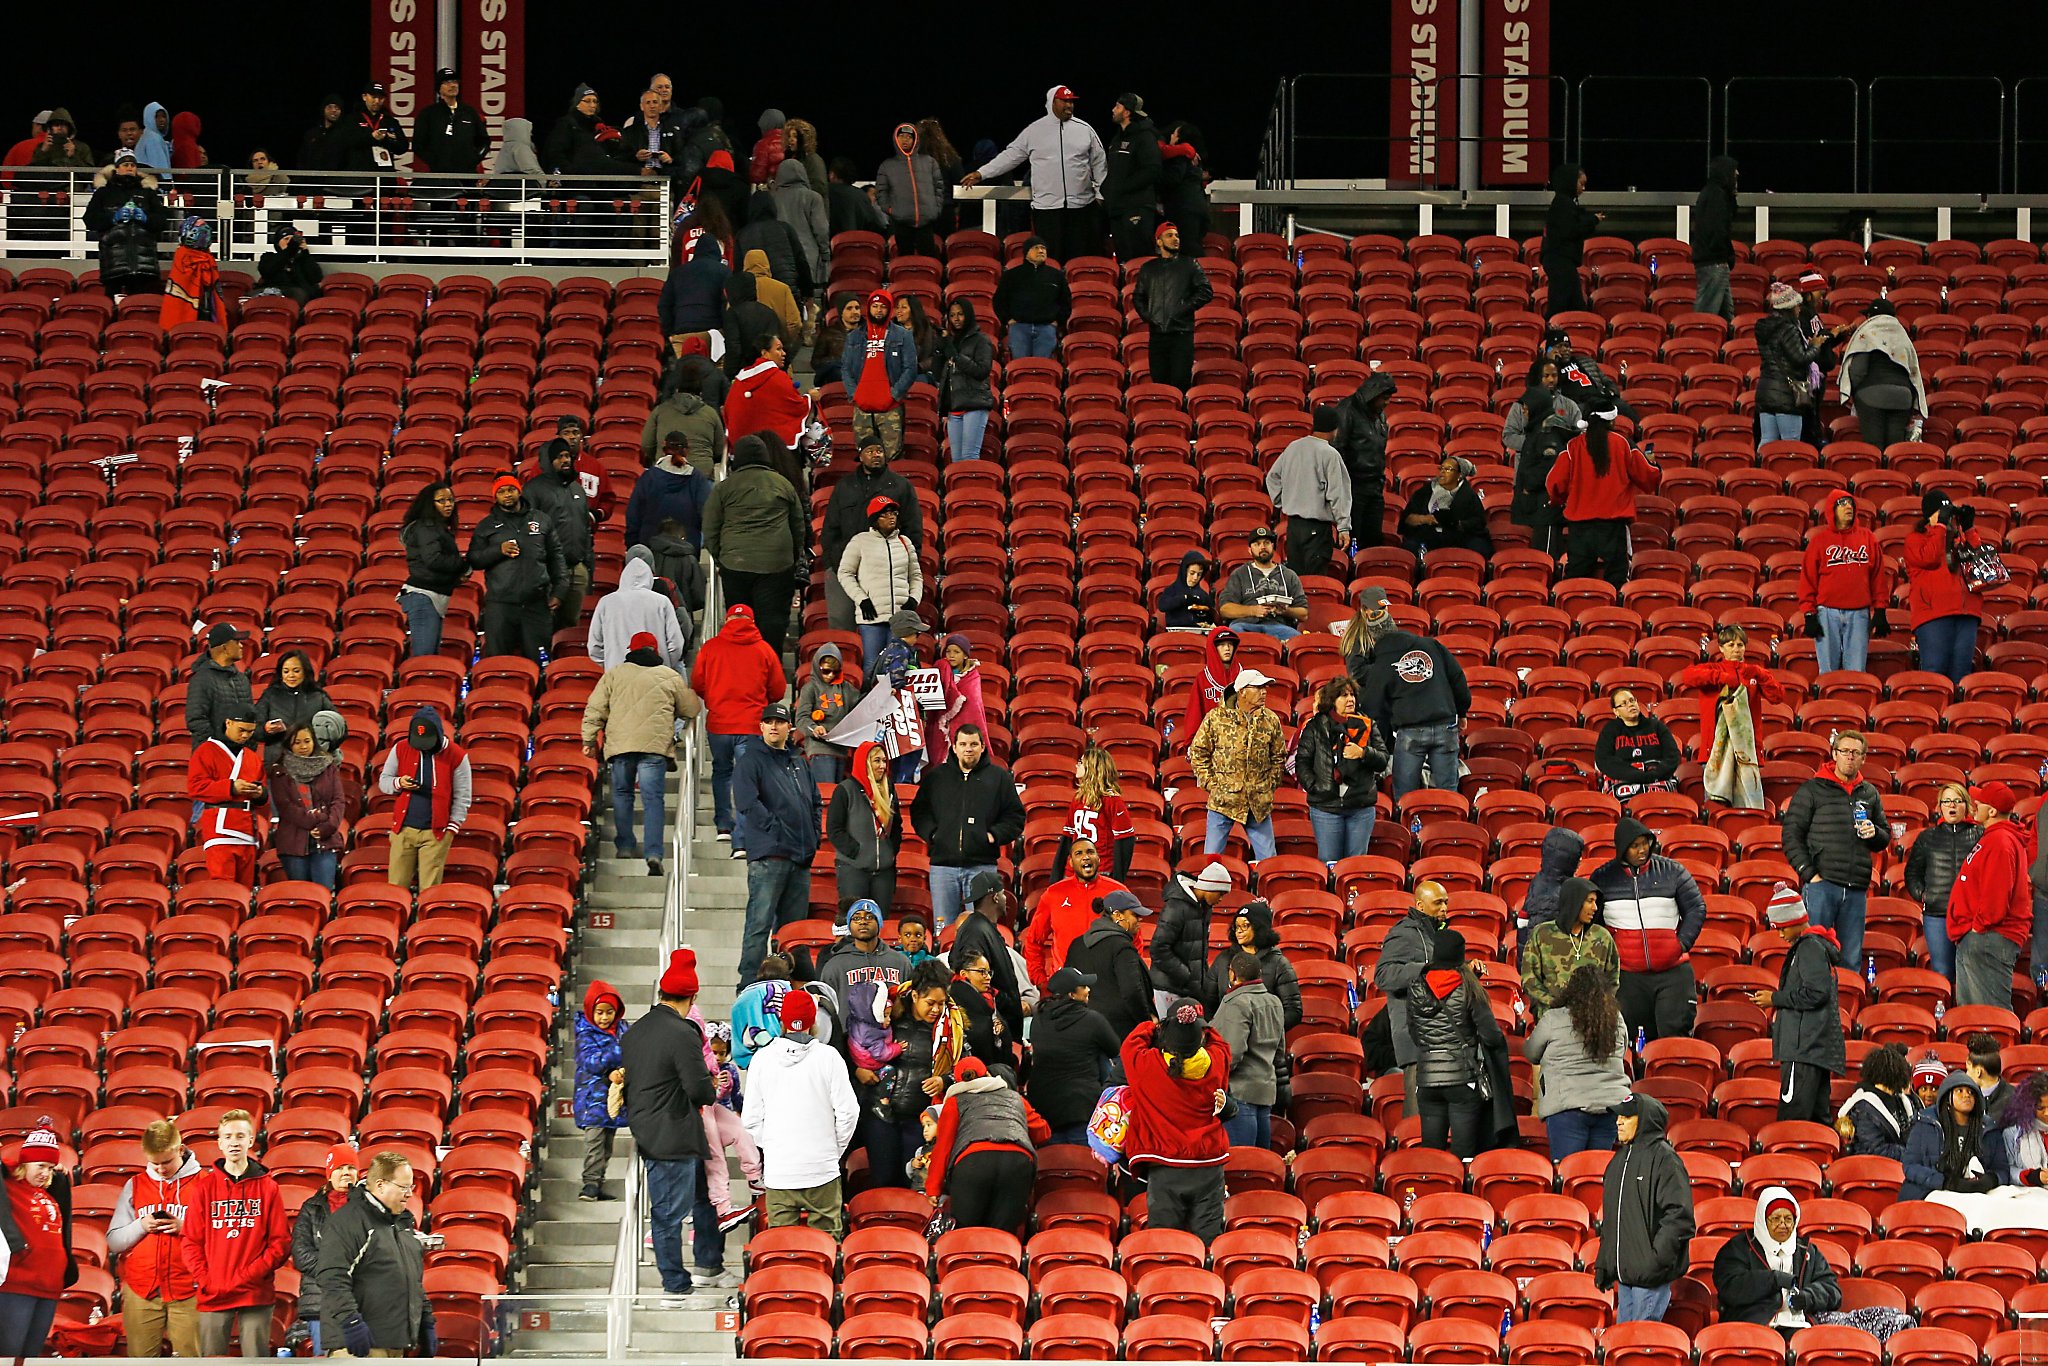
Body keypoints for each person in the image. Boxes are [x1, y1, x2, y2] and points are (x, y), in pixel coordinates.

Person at [625, 949, 725, 1296]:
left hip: (649, 1130)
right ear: (692, 996)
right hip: (675, 1134)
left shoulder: (636, 1031)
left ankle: (705, 1266)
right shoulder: (683, 1032)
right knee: (669, 1215)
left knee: (695, 1202)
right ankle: (675, 1285)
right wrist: (711, 1087)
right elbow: (700, 1089)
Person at [738, 987, 859, 1236]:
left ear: (781, 1020)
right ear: (814, 1021)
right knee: (825, 1249)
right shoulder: (830, 1057)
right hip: (821, 1169)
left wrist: (772, 1145)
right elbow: (849, 1113)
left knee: (783, 1249)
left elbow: (750, 1119)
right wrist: (831, 1149)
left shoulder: (761, 1059)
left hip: (780, 1171)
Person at [582, 632, 700, 874]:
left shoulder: (614, 674)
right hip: (654, 748)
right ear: (655, 650)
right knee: (653, 800)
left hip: (621, 746)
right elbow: (691, 708)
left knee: (623, 795)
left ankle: (625, 846)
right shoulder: (670, 675)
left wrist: (589, 739)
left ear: (630, 650)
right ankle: (654, 853)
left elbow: (595, 708)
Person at [1120, 1000, 1233, 1240]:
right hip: (1208, 1166)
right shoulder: (1217, 1061)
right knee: (1208, 1241)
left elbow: (1129, 1045)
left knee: (1165, 1243)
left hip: (1165, 1167)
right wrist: (1196, 1026)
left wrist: (1154, 1026)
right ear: (1200, 1039)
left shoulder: (1148, 1065)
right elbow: (1221, 1043)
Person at [1779, 730, 1889, 970]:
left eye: (1856, 753)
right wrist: (1810, 875)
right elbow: (1790, 835)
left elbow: (1884, 837)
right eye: (1845, 751)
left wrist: (1875, 833)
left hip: (1856, 888)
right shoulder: (1812, 790)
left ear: (1863, 759)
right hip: (1822, 885)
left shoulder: (1869, 793)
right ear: (1834, 754)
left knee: (1850, 960)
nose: (1850, 757)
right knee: (1813, 957)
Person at [961, 86, 1106, 265]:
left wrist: (1100, 193)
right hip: (1047, 210)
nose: (1069, 105)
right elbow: (1010, 156)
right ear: (1052, 102)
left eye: (1071, 101)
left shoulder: (1085, 130)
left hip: (1081, 208)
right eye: (1064, 101)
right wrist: (982, 173)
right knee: (1050, 262)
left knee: (1079, 261)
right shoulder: (1035, 131)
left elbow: (1100, 162)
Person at [183, 1110, 288, 1357]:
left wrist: (248, 1276)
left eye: (240, 1136)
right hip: (214, 1293)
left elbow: (280, 1244)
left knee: (256, 1361)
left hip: (255, 1292)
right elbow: (190, 1241)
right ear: (219, 1143)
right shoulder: (204, 1187)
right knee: (212, 1361)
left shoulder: (268, 1187)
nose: (234, 1142)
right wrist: (207, 1279)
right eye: (228, 1136)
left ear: (251, 1141)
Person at [1592, 816, 1707, 1043]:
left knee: (1674, 1040)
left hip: (1673, 972)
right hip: (1627, 977)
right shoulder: (1602, 878)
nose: (1642, 850)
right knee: (1633, 1041)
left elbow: (1696, 908)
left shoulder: (1673, 871)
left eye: (1645, 843)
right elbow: (1594, 922)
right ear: (1622, 849)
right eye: (1635, 846)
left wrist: (1680, 944)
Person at [1351, 590, 1472, 800]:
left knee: (1406, 796)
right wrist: (1461, 712)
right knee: (1447, 795)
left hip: (1410, 731)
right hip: (1446, 725)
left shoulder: (1381, 662)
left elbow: (1373, 706)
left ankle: (1408, 828)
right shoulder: (1430, 644)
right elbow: (1458, 679)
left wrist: (1383, 744)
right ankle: (1446, 830)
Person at [310, 1151, 432, 1359]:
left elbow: (413, 1280)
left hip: (396, 1343)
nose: (410, 1194)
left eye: (411, 1187)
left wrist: (425, 1320)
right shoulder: (349, 1221)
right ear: (381, 1185)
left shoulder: (403, 1224)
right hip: (358, 1345)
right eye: (404, 1187)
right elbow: (332, 1276)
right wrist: (351, 1323)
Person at [734, 703, 823, 987]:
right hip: (769, 855)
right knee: (759, 925)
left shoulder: (799, 761)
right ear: (760, 727)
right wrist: (776, 830)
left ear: (789, 728)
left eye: (779, 722)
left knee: (793, 930)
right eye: (768, 721)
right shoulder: (751, 760)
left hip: (799, 857)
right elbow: (747, 801)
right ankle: (749, 983)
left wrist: (813, 836)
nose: (774, 726)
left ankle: (792, 984)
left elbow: (815, 801)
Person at [1748, 885, 1847, 1124]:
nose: (1780, 934)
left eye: (1781, 927)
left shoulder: (1809, 948)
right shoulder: (1814, 947)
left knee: (1793, 1124)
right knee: (1816, 1123)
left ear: (1795, 920)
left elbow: (1816, 993)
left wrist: (1775, 998)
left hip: (1803, 1050)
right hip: (1812, 1050)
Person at [911, 726, 1026, 932]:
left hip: (982, 867)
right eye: (963, 744)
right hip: (942, 868)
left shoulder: (999, 778)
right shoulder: (936, 777)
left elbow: (1015, 817)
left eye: (973, 744)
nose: (968, 749)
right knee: (944, 931)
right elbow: (919, 812)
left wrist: (993, 835)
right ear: (954, 747)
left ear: (983, 747)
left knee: (983, 929)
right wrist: (934, 834)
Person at [691, 603, 787, 849]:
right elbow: (777, 689)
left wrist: (715, 698)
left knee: (722, 772)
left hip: (719, 723)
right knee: (749, 781)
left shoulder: (711, 648)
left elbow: (698, 684)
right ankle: (742, 841)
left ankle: (723, 824)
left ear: (727, 620)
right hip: (751, 724)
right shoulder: (764, 650)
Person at [702, 434, 805, 661]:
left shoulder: (724, 488)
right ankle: (770, 668)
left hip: (735, 563)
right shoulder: (783, 483)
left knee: (739, 620)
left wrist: (722, 557)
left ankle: (742, 668)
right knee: (773, 622)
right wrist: (793, 556)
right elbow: (798, 526)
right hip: (777, 564)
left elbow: (710, 527)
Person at [1406, 928, 1506, 1159]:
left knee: (1431, 1156)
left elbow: (1414, 1033)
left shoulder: (1416, 988)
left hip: (1427, 1079)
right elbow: (1491, 1035)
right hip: (1463, 1079)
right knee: (1463, 1155)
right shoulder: (1468, 986)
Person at [1593, 1094, 1692, 1323]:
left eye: (1626, 1117)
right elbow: (1612, 1220)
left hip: (1650, 1279)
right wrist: (1605, 1263)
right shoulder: (1617, 1161)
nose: (1618, 1121)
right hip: (1624, 1276)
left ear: (1645, 1120)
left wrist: (1655, 1262)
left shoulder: (1665, 1159)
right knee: (1624, 1348)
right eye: (1619, 1116)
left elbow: (1679, 1216)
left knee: (1641, 1347)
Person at [922, 1056, 1047, 1231]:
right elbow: (1043, 1132)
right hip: (1017, 1163)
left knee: (966, 1234)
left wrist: (933, 1188)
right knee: (1003, 1236)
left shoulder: (955, 1102)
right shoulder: (1014, 1098)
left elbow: (943, 1147)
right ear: (987, 1074)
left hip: (973, 1163)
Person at [112, 1119, 201, 1358]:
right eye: (154, 1163)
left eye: (167, 1161)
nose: (161, 1169)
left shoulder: (206, 1183)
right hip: (142, 1289)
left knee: (192, 1362)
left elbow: (221, 1239)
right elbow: (114, 1241)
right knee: (141, 1362)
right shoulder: (135, 1184)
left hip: (189, 1289)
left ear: (181, 1150)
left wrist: (186, 1227)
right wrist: (141, 1225)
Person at [1545, 399, 1657, 587]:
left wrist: (1558, 500)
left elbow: (1554, 483)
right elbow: (1648, 477)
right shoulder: (1623, 444)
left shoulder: (1572, 447)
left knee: (1575, 583)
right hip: (1613, 526)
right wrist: (1653, 463)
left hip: (1580, 528)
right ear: (1612, 420)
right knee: (1617, 581)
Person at [1527, 963, 1630, 1158]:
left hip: (1566, 1107)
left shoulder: (1553, 1019)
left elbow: (1532, 1053)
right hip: (1610, 1106)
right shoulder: (1616, 1019)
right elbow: (1622, 1051)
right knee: (1596, 1177)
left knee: (1568, 1174)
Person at [1678, 623, 1785, 810]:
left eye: (1740, 645)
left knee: (1749, 807)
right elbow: (1688, 676)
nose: (1736, 649)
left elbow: (1777, 697)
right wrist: (1723, 678)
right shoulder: (1712, 668)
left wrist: (1761, 675)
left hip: (1747, 751)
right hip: (1715, 751)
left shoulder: (1754, 672)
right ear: (1721, 648)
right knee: (1716, 805)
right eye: (1731, 645)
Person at [820, 436, 922, 631]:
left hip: (885, 571)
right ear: (860, 456)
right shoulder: (845, 486)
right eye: (870, 451)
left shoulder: (900, 486)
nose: (876, 455)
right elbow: (830, 527)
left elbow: (913, 528)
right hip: (843, 565)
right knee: (842, 627)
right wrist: (831, 562)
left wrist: (908, 562)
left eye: (880, 450)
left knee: (885, 632)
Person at [1950, 781, 2036, 1010]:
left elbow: (1996, 896)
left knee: (1990, 1016)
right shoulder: (1998, 837)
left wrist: (1978, 927)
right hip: (1983, 936)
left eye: (1980, 801)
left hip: (1989, 935)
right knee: (1972, 1016)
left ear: (1992, 811)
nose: (1974, 804)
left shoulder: (2000, 841)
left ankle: (2001, 1048)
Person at [1189, 668, 1286, 863]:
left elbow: (1278, 756)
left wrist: (1268, 786)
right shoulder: (1216, 718)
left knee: (1269, 862)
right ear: (1242, 691)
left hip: (1257, 803)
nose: (1264, 692)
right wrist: (1212, 785)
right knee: (1210, 862)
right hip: (1222, 801)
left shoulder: (1270, 720)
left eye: (1265, 687)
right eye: (1258, 688)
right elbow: (1198, 752)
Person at [467, 474, 567, 662]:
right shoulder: (486, 525)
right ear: (495, 496)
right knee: (498, 663)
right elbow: (474, 559)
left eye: (511, 490)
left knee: (539, 662)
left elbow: (556, 557)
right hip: (500, 606)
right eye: (502, 491)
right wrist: (498, 550)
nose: (507, 495)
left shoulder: (541, 520)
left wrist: (559, 591)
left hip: (536, 604)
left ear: (519, 491)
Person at [1713, 1188, 1843, 1331]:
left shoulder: (1807, 1251)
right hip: (1754, 1327)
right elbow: (1729, 1288)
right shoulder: (1738, 1248)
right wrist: (1773, 1280)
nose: (1783, 1225)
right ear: (1763, 1220)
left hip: (1801, 1326)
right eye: (1776, 1219)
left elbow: (1832, 1291)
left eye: (1788, 1219)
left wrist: (1808, 1297)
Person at [1376, 880, 1454, 1116]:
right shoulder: (1404, 933)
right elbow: (1383, 976)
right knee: (1418, 1117)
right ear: (1420, 905)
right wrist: (1426, 970)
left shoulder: (1440, 934)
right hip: (1414, 1036)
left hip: (1442, 1035)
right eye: (1438, 902)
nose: (1444, 909)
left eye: (1446, 903)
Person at [378, 706, 471, 892]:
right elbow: (384, 782)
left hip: (436, 833)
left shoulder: (457, 755)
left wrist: (452, 828)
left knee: (429, 892)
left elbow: (463, 796)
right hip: (403, 830)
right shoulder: (401, 748)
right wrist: (399, 783)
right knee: (395, 890)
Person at [1296, 676, 1388, 864]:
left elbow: (1383, 760)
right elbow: (1302, 762)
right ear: (1332, 700)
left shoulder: (1367, 725)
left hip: (1360, 807)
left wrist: (1363, 753)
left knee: (1356, 865)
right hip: (1326, 807)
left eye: (1352, 695)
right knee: (1330, 863)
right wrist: (1315, 786)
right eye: (1343, 696)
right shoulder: (1315, 726)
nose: (1350, 699)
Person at [1903, 493, 1991, 687]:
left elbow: (1983, 568)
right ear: (1928, 516)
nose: (1948, 517)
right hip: (1933, 615)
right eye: (1941, 512)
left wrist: (1969, 529)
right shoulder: (1915, 539)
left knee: (1962, 675)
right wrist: (1940, 527)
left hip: (1966, 613)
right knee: (1935, 673)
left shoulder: (1961, 540)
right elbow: (1930, 558)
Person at [0, 1121, 71, 1358]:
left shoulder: (48, 1194)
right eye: (40, 1165)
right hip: (17, 1285)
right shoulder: (9, 1187)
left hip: (48, 1288)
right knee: (8, 1355)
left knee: (28, 1359)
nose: (45, 1173)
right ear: (24, 1163)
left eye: (50, 1167)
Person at [1029, 968, 1123, 1144]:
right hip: (1082, 1107)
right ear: (1071, 994)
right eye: (1083, 986)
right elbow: (1116, 1052)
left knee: (1052, 1167)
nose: (1088, 989)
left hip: (1044, 1106)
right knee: (1084, 1167)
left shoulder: (1038, 1019)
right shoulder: (1093, 1020)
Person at [1797, 491, 1886, 676]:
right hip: (1826, 613)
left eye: (1850, 503)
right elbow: (1808, 579)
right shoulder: (1819, 541)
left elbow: (1878, 577)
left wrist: (1880, 610)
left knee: (1857, 673)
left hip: (1859, 612)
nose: (1848, 507)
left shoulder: (1868, 538)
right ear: (1831, 510)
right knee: (1828, 672)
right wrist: (1809, 614)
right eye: (1842, 503)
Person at [523, 424, 600, 634]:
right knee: (544, 624)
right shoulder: (533, 489)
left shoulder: (577, 489)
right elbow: (528, 531)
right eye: (559, 457)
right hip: (548, 570)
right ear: (548, 461)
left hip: (577, 568)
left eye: (567, 456)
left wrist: (587, 563)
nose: (566, 460)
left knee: (569, 628)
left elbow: (585, 528)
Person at [1023, 838, 1131, 987]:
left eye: (1090, 852)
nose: (1086, 857)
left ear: (1098, 859)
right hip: (1067, 986)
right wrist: (1040, 981)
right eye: (1079, 853)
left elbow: (1134, 940)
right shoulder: (1053, 894)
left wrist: (1129, 977)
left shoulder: (1119, 892)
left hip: (1109, 986)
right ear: (1071, 863)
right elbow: (1033, 941)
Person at [837, 496, 924, 675]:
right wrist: (862, 599)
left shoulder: (905, 542)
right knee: (872, 665)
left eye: (893, 513)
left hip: (899, 618)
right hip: (871, 616)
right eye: (885, 514)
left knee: (899, 664)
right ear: (874, 518)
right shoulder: (859, 541)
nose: (891, 517)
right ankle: (872, 702)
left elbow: (916, 576)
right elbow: (844, 573)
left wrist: (914, 599)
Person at [1906, 783, 1982, 982]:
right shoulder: (1927, 837)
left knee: (1972, 976)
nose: (1952, 806)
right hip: (1937, 915)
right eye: (1947, 801)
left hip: (1972, 917)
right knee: (1942, 973)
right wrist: (1924, 895)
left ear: (1966, 806)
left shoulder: (1980, 835)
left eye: (1957, 801)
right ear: (1940, 807)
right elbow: (1912, 873)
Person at [1265, 406, 1353, 575]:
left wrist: (1283, 501)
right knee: (1314, 581)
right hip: (1317, 529)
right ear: (1334, 428)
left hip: (1293, 527)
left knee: (1296, 581)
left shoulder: (1293, 447)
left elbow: (1272, 477)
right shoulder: (1329, 454)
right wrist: (1343, 527)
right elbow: (1338, 493)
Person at [1211, 951, 1284, 1150]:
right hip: (1266, 1090)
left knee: (1242, 1166)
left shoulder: (1237, 1002)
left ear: (1232, 974)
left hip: (1240, 1092)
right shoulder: (1275, 1001)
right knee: (1259, 1164)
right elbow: (1280, 1050)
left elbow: (1232, 1053)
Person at [187, 701, 265, 886]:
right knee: (224, 888)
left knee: (245, 892)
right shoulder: (206, 750)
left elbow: (263, 792)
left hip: (247, 829)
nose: (245, 736)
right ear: (228, 723)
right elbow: (195, 787)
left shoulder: (251, 756)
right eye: (242, 730)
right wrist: (231, 788)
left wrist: (260, 794)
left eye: (250, 731)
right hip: (219, 828)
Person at [288, 1145, 356, 1354]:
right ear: (329, 1173)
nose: (345, 1173)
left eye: (351, 1167)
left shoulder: (370, 1207)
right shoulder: (311, 1208)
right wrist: (337, 1270)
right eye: (339, 1167)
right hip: (320, 1302)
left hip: (361, 1302)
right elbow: (301, 1255)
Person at [1521, 877, 1620, 1017]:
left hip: (1591, 1018)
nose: (1595, 907)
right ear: (1574, 901)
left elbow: (1612, 980)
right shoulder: (1542, 934)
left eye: (1596, 902)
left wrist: (1597, 1006)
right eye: (1589, 901)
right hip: (1552, 1016)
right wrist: (1554, 1004)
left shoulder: (1602, 937)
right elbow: (1529, 979)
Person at [1064, 890, 1156, 1041]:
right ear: (1118, 915)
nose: (1140, 920)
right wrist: (1145, 1023)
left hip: (1083, 1030)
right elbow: (1132, 991)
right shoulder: (1122, 947)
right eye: (1135, 915)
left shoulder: (1077, 944)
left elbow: (1068, 988)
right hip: (1120, 1034)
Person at [1840, 299, 1927, 451]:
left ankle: (1876, 474)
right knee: (1894, 448)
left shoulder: (1866, 333)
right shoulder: (1903, 335)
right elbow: (1913, 371)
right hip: (1903, 397)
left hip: (1871, 395)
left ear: (1871, 316)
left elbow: (1858, 371)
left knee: (1875, 447)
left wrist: (1854, 392)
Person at [951, 869, 1026, 1046]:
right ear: (994, 897)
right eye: (1002, 894)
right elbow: (971, 983)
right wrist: (1003, 1004)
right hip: (988, 1032)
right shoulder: (975, 931)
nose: (1006, 899)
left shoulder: (982, 928)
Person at [1133, 222, 1211, 390]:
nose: (1175, 239)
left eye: (1176, 235)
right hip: (1157, 335)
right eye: (1169, 235)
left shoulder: (1190, 264)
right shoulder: (1148, 268)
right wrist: (1149, 316)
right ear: (1159, 242)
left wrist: (1182, 309)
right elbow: (1138, 296)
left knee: (1180, 382)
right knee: (1159, 384)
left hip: (1181, 333)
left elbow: (1206, 291)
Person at [840, 289, 917, 459]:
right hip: (862, 409)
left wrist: (894, 395)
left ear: (889, 309)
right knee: (865, 458)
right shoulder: (854, 337)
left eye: (883, 306)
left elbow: (911, 368)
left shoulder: (903, 335)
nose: (879, 310)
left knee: (891, 458)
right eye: (875, 306)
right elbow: (845, 368)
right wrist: (855, 394)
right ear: (869, 308)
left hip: (891, 409)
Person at [827, 742, 903, 915]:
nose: (882, 766)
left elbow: (897, 826)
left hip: (884, 872)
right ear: (865, 762)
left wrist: (891, 851)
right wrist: (855, 852)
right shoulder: (845, 790)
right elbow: (834, 828)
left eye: (884, 761)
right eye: (877, 761)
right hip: (853, 870)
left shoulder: (889, 789)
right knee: (855, 924)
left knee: (880, 924)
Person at [571, 983, 630, 1201]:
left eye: (609, 1012)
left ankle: (599, 1182)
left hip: (612, 1099)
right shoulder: (586, 1033)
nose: (604, 1017)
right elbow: (591, 1061)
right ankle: (589, 1184)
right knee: (594, 1143)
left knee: (606, 1146)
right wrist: (618, 1052)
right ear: (590, 1011)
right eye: (599, 1012)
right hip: (592, 1100)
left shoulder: (623, 1029)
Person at [1756, 280, 1833, 445]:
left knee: (1767, 441)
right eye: (1797, 305)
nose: (1799, 309)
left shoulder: (1764, 328)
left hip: (1766, 390)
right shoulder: (1788, 329)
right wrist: (1815, 346)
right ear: (1789, 308)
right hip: (1786, 394)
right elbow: (1800, 359)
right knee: (1790, 445)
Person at [1147, 859, 1229, 1016]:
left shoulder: (1204, 907)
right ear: (1209, 887)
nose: (1221, 899)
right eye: (1221, 893)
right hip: (1169, 988)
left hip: (1188, 987)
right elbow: (1158, 949)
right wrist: (1187, 975)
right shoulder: (1176, 907)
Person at [1203, 902, 1303, 1028]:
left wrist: (1266, 1031)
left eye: (1245, 926)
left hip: (1265, 1041)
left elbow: (1293, 1011)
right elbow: (1208, 1002)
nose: (1239, 931)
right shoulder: (1223, 959)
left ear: (1259, 927)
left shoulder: (1279, 963)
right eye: (1236, 926)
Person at [268, 724, 345, 890]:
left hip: (325, 841)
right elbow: (285, 806)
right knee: (300, 894)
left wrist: (328, 826)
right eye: (297, 742)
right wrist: (316, 820)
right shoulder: (279, 771)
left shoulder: (328, 767)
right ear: (289, 745)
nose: (303, 746)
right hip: (293, 842)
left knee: (323, 893)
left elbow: (338, 800)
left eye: (307, 741)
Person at [1900, 1072, 1997, 1201]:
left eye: (1970, 1092)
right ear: (1947, 1097)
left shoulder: (1987, 1127)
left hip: (1978, 1194)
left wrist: (1989, 1180)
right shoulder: (1925, 1123)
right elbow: (1910, 1166)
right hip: (1931, 1191)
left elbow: (2001, 1168)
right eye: (1960, 1091)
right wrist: (1945, 1182)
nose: (1966, 1095)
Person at [588, 557, 689, 671]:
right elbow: (676, 643)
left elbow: (594, 646)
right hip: (656, 672)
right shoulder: (662, 601)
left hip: (618, 673)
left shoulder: (606, 602)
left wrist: (609, 665)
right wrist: (665, 664)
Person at [398, 483, 463, 658]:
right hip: (424, 596)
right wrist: (462, 565)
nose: (448, 504)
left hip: (431, 595)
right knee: (424, 660)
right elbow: (433, 560)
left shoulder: (436, 528)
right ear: (429, 504)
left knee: (430, 657)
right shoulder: (427, 527)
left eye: (450, 500)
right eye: (441, 501)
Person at [1333, 374, 1397, 547]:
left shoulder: (1379, 415)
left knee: (1372, 540)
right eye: (1384, 398)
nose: (1387, 403)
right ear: (1373, 394)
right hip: (1353, 487)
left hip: (1375, 485)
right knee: (1352, 540)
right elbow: (1337, 450)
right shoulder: (1346, 410)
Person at [1218, 526, 1308, 641]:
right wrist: (1253, 610)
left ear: (1273, 547)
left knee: (1297, 640)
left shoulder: (1288, 575)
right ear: (1250, 550)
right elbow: (1225, 609)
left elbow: (1303, 613)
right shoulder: (1239, 574)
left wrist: (1285, 611)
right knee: (1234, 633)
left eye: (1266, 543)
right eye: (1257, 544)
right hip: (1244, 625)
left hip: (1279, 626)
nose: (1263, 547)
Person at [1594, 688, 1682, 802]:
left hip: (1657, 778)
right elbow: (1604, 760)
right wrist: (1634, 774)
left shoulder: (1657, 726)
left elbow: (1673, 755)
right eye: (1624, 703)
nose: (1630, 705)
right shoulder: (1610, 730)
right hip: (1624, 779)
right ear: (1616, 711)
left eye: (1632, 700)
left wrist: (1655, 774)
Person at [1101, 93, 1162, 259]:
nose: (1113, 110)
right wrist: (1107, 191)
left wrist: (1122, 188)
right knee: (1123, 258)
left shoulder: (1145, 136)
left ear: (1127, 112)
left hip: (1137, 207)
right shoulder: (1116, 138)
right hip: (1118, 209)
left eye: (1117, 106)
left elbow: (1152, 170)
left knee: (1139, 258)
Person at [874, 123, 948, 259]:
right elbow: (881, 192)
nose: (905, 140)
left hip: (926, 221)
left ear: (915, 140)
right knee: (904, 260)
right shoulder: (887, 165)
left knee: (929, 260)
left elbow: (939, 187)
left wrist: (935, 209)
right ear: (896, 139)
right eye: (901, 136)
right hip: (901, 222)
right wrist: (891, 210)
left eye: (909, 137)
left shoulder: (929, 162)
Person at [993, 236, 1072, 360]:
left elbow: (1066, 301)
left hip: (1046, 328)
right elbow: (999, 300)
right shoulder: (1011, 275)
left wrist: (1057, 321)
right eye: (1036, 248)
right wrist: (1007, 319)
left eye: (1043, 248)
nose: (1041, 251)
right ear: (1026, 252)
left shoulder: (1056, 276)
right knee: (1020, 367)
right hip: (1019, 328)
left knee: (1042, 369)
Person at [1399, 455, 1492, 560]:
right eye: (1441, 468)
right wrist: (1425, 519)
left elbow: (1478, 522)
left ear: (1459, 475)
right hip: (1429, 534)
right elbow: (1407, 518)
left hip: (1459, 537)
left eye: (1448, 469)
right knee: (1410, 546)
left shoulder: (1469, 496)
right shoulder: (1424, 492)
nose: (1442, 472)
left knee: (1479, 547)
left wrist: (1457, 524)